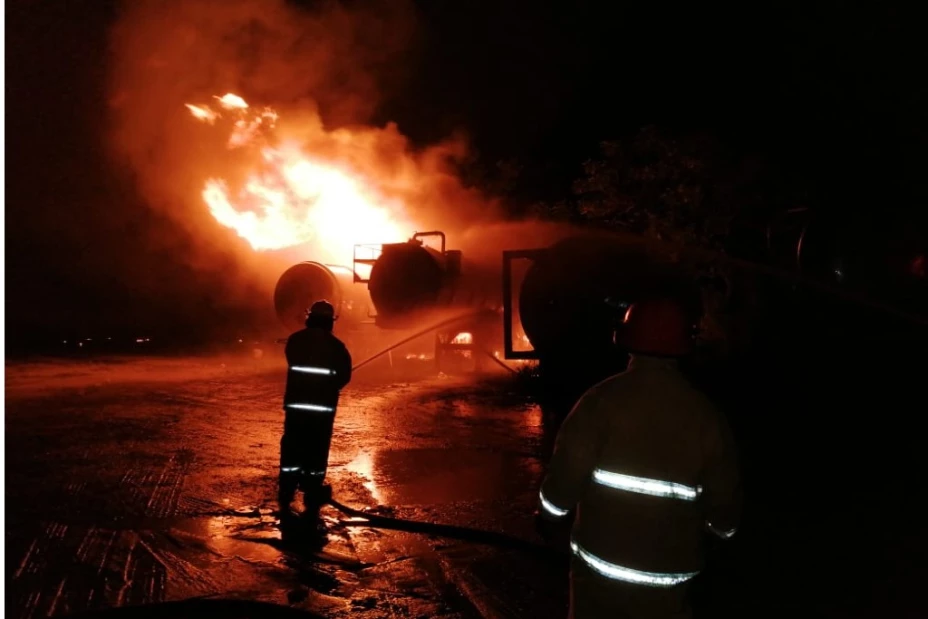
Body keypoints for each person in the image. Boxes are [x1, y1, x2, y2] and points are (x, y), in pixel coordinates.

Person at [536, 298, 741, 619]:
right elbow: (725, 499)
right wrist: (719, 534)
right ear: (686, 344)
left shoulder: (599, 401)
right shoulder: (706, 415)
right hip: (671, 580)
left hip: (600, 576)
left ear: (626, 338)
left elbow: (567, 473)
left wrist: (548, 516)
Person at [280, 300, 352, 512]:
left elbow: (293, 361)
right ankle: (312, 488)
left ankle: (287, 487)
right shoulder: (337, 347)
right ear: (330, 322)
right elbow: (344, 376)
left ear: (309, 318)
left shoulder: (295, 341)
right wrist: (330, 384)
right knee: (317, 448)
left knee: (292, 445)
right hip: (322, 410)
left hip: (296, 407)